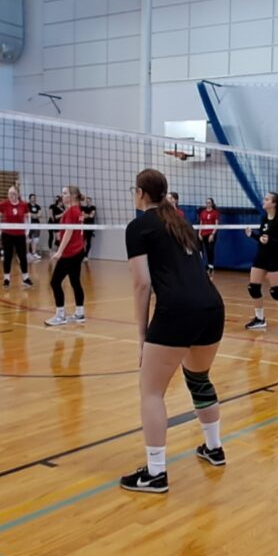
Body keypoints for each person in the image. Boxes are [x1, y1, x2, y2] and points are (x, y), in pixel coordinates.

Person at [120, 167, 227, 494]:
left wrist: (142, 335)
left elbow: (142, 284)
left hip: (178, 311)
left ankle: (155, 474)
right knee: (199, 379)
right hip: (212, 307)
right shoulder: (182, 223)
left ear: (140, 193)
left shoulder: (138, 227)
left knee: (151, 392)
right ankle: (214, 448)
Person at [245, 190, 278, 332]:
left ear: (274, 204)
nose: (264, 201)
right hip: (261, 256)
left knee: (276, 291)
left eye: (267, 199)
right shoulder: (264, 218)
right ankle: (259, 319)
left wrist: (270, 240)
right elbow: (263, 239)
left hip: (274, 257)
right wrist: (253, 235)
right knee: (253, 288)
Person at [45, 184, 88, 325]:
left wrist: (59, 251)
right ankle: (80, 313)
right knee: (75, 281)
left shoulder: (71, 212)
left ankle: (60, 316)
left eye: (65, 193)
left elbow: (69, 232)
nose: (62, 195)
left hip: (70, 253)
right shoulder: (78, 210)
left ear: (73, 196)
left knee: (55, 282)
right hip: (78, 251)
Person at [0, 181, 32, 289]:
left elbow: (27, 218)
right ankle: (6, 279)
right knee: (7, 257)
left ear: (18, 194)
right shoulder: (3, 204)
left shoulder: (24, 205)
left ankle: (26, 278)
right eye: (9, 193)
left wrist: (27, 231)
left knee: (22, 257)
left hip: (20, 235)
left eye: (13, 193)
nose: (11, 195)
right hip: (7, 234)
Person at [197, 197, 219, 269]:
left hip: (211, 233)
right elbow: (201, 223)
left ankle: (211, 265)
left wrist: (212, 234)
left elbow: (216, 224)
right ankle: (204, 265)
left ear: (212, 204)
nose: (207, 204)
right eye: (206, 202)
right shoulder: (203, 213)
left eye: (209, 202)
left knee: (210, 249)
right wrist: (199, 233)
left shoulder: (215, 213)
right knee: (204, 250)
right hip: (203, 233)